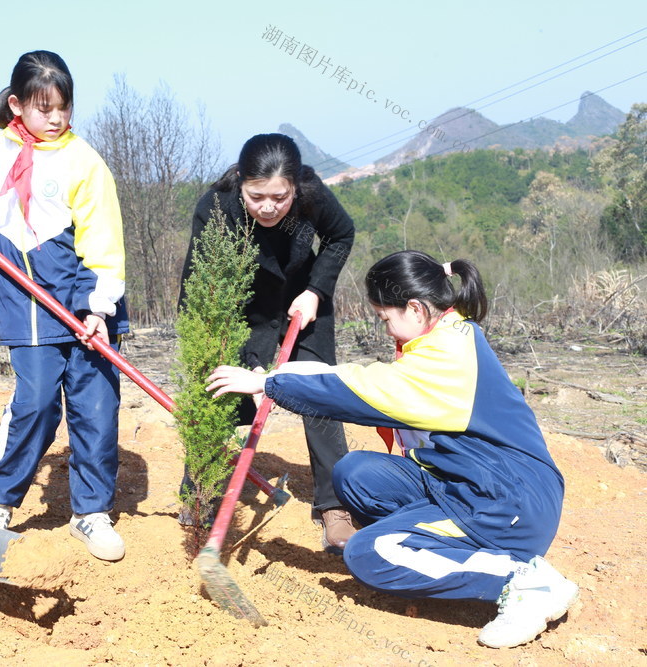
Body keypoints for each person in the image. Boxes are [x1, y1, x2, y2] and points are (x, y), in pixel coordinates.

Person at [206, 250, 578, 649]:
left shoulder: (447, 359)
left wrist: (269, 388)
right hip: (468, 485)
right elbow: (357, 376)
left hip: (505, 505)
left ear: (415, 308)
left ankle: (524, 582)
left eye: (386, 318)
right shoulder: (448, 332)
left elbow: (357, 392)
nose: (386, 330)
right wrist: (274, 376)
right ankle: (428, 547)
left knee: (367, 554)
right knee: (355, 473)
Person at [0, 50, 128, 561]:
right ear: (18, 105)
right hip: (25, 301)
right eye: (44, 108)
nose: (56, 118)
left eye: (63, 107)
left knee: (95, 408)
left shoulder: (83, 161)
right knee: (37, 403)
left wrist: (99, 309)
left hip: (85, 302)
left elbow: (104, 241)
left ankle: (91, 513)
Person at [178, 133, 356, 553]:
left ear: (296, 186)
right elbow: (200, 290)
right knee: (220, 388)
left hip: (301, 301)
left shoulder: (312, 196)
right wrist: (247, 360)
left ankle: (334, 505)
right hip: (238, 307)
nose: (269, 207)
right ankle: (201, 490)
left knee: (319, 391)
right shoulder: (216, 208)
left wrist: (316, 290)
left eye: (280, 196)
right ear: (240, 181)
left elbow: (341, 235)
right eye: (257, 196)